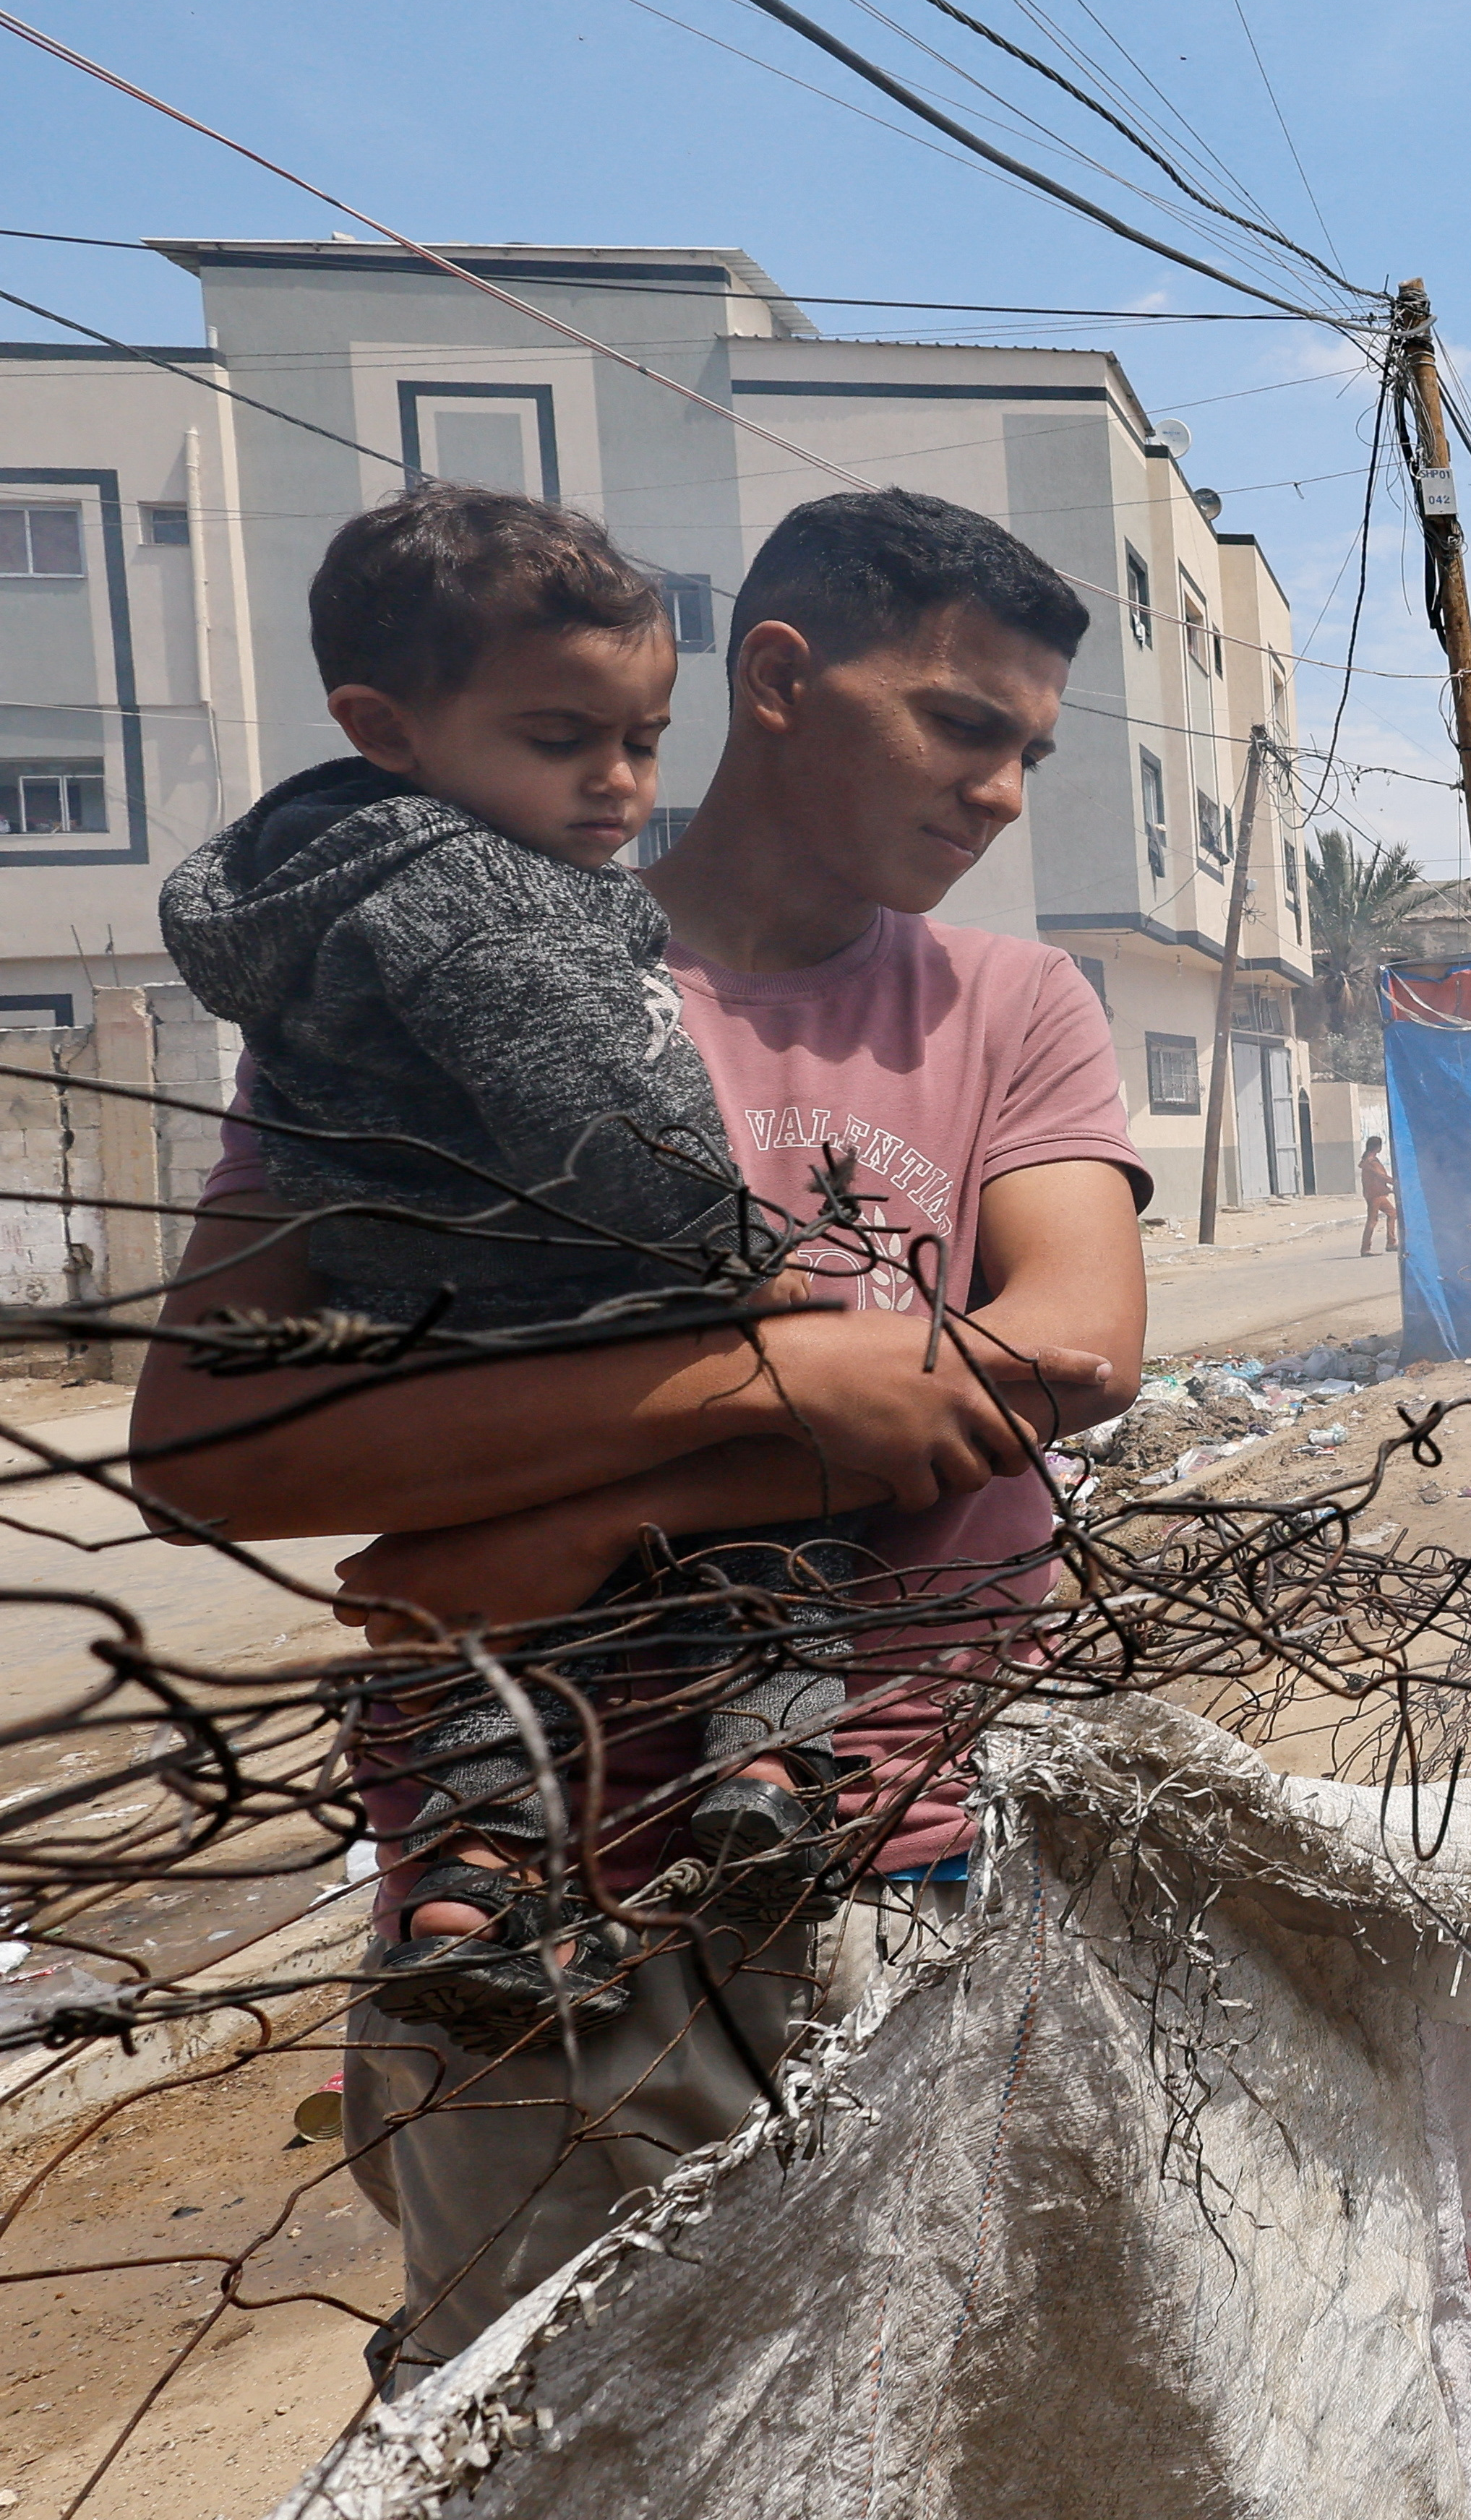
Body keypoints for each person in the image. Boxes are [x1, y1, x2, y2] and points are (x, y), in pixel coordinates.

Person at [132, 486, 1149, 2388]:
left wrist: (611, 1508)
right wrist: (795, 1393)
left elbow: (1073, 1348)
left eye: (1028, 749)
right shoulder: (415, 988)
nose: (1000, 791)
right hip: (526, 1933)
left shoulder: (1011, 1004)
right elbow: (208, 1441)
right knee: (563, 2434)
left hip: (901, 1865)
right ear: (777, 677)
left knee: (937, 2417)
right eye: (959, 725)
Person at [156, 484, 868, 2052]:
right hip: (597, 1284)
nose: (619, 783)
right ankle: (767, 1776)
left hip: (429, 1332)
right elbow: (608, 1127)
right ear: (385, 724)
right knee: (784, 1505)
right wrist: (746, 1262)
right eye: (563, 740)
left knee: (493, 1649)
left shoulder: (317, 882)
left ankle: (469, 1893)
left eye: (645, 738)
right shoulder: (479, 891)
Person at [1358, 1129, 1397, 1257]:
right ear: (1377, 1147)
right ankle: (1365, 1249)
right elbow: (1381, 1177)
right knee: (1372, 1221)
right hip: (1375, 1195)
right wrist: (1395, 1183)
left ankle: (1391, 1242)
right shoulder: (1371, 1162)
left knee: (1392, 1213)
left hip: (1377, 1194)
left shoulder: (1369, 1160)